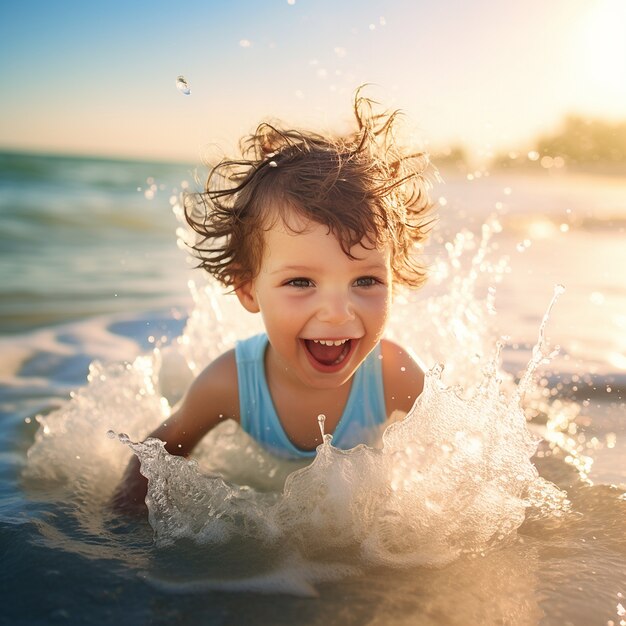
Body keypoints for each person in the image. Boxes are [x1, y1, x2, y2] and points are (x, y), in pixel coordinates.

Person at [112, 90, 435, 512]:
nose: (338, 312)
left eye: (366, 280)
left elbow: (469, 461)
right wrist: (116, 533)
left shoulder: (397, 375)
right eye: (301, 281)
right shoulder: (230, 384)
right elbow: (157, 454)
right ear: (249, 290)